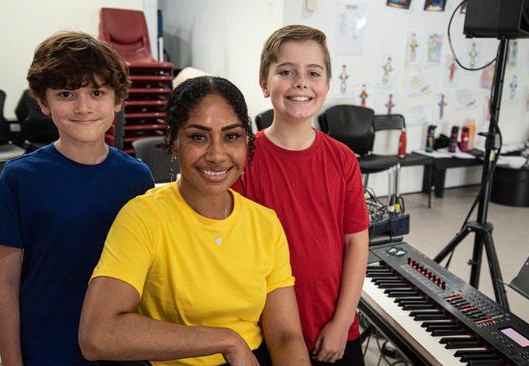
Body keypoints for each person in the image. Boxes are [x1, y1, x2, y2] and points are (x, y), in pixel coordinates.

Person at [78, 76, 310, 366]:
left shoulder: (266, 224)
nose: (216, 155)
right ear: (174, 142)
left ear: (246, 143)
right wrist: (227, 341)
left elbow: (287, 335)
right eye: (199, 137)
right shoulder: (143, 217)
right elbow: (97, 335)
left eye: (231, 136)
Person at [0, 31, 154, 365]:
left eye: (97, 92)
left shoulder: (137, 177)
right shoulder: (19, 178)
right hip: (47, 347)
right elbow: (4, 282)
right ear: (43, 102)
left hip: (122, 345)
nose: (84, 107)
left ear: (117, 100)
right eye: (66, 93)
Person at [233, 25, 369, 365]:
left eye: (313, 73)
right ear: (264, 83)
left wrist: (341, 321)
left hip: (333, 326)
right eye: (286, 71)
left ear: (326, 85)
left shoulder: (342, 160)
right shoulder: (243, 160)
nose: (300, 83)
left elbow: (356, 243)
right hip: (264, 332)